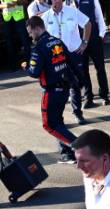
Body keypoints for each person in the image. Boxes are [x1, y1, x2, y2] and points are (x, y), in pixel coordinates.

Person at [24, 16, 78, 164]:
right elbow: (71, 62)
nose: (30, 35)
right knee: (58, 122)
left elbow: (34, 72)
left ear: (37, 28)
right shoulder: (57, 41)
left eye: (30, 32)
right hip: (64, 88)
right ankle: (67, 153)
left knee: (49, 125)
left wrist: (26, 68)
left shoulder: (39, 47)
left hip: (51, 91)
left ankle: (79, 145)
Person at [41, 0, 91, 121]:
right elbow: (42, 38)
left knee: (75, 84)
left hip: (73, 53)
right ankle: (58, 118)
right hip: (56, 57)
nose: (55, 1)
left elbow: (88, 23)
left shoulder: (72, 11)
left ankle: (78, 113)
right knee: (57, 87)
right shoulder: (45, 17)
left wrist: (84, 43)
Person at [72, 0, 110, 106]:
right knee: (83, 70)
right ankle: (88, 97)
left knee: (100, 67)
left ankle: (104, 95)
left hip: (94, 38)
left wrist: (101, 34)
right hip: (78, 41)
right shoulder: (67, 2)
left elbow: (99, 16)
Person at [0, 0, 30, 66]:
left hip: (19, 17)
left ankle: (30, 62)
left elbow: (25, 2)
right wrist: (5, 5)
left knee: (24, 39)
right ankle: (13, 65)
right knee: (9, 42)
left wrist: (16, 3)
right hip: (7, 18)